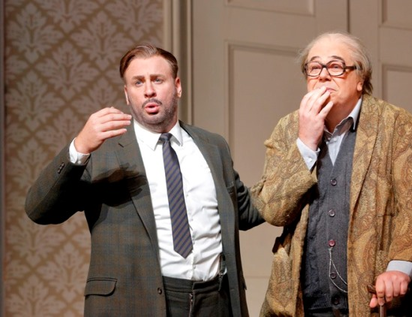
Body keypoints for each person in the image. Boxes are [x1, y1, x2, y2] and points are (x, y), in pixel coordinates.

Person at [25, 44, 263, 317]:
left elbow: (245, 211)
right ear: (127, 94)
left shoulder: (212, 146)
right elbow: (39, 210)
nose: (148, 90)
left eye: (157, 80)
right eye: (138, 82)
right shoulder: (104, 152)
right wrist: (79, 148)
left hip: (214, 302)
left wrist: (304, 153)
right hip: (136, 302)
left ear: (177, 86)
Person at [251, 32, 412, 316]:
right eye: (314, 68)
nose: (323, 76)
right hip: (305, 303)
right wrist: (305, 143)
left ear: (360, 79)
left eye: (336, 67)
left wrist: (399, 267)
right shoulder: (288, 129)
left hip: (377, 302)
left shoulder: (398, 125)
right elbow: (274, 210)